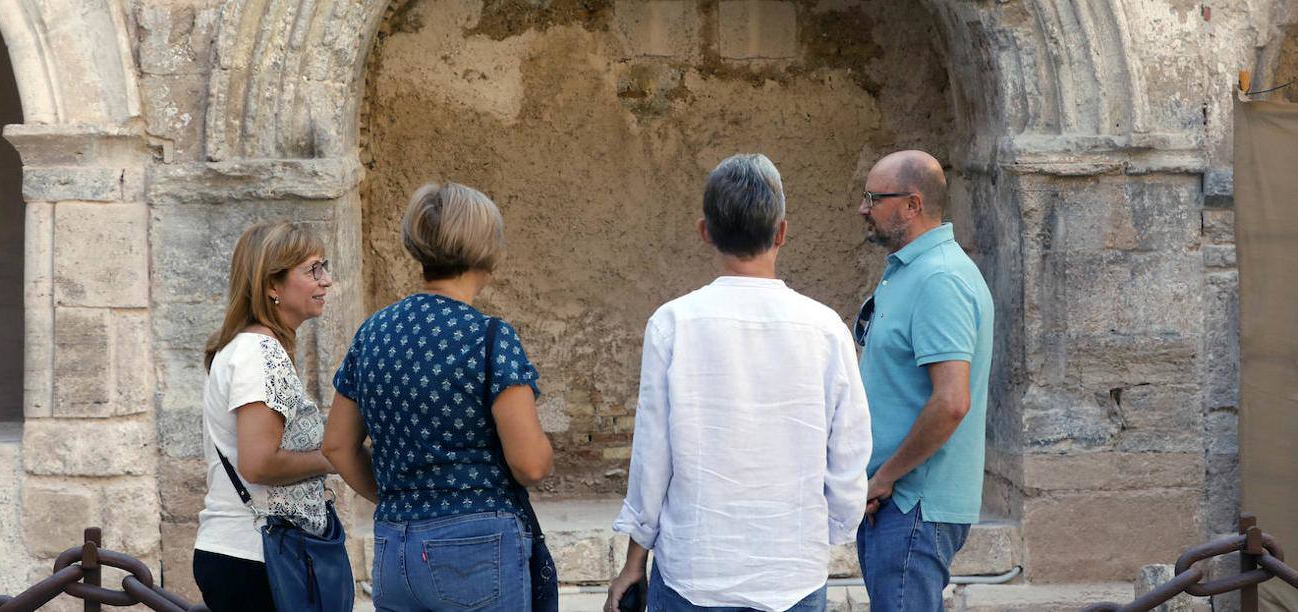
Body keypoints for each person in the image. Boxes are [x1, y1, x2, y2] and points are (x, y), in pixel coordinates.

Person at [606, 153, 872, 612]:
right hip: (792, 574)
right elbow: (849, 450)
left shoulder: (673, 324)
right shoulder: (825, 328)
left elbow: (652, 455)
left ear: (705, 231)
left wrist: (634, 561)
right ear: (782, 232)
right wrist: (832, 531)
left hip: (695, 570)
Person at [323, 181, 553, 612]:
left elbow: (336, 444)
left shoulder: (373, 333)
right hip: (478, 547)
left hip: (395, 544)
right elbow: (531, 463)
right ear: (489, 250)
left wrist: (399, 495)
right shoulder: (489, 339)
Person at [853, 150, 994, 612]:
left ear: (912, 205)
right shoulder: (909, 273)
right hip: (896, 503)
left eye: (873, 198)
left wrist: (885, 478)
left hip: (914, 504)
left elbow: (952, 401)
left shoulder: (940, 279)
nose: (863, 208)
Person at [193, 220, 338, 611]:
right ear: (272, 285)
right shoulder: (260, 352)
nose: (326, 280)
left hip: (249, 552)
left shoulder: (250, 348)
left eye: (324, 267)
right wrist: (335, 456)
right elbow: (258, 463)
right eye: (312, 270)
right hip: (256, 555)